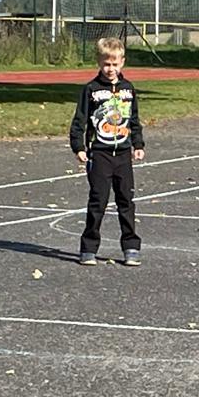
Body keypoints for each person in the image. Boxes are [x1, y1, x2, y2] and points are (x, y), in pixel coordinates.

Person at [69, 38, 146, 265]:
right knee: (98, 201)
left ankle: (131, 246)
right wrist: (79, 147)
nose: (110, 69)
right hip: (100, 154)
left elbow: (134, 120)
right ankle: (88, 248)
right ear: (99, 63)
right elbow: (79, 121)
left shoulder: (128, 89)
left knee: (126, 201)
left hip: (123, 154)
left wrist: (138, 144)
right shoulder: (91, 90)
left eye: (114, 64)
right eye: (106, 64)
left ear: (122, 62)